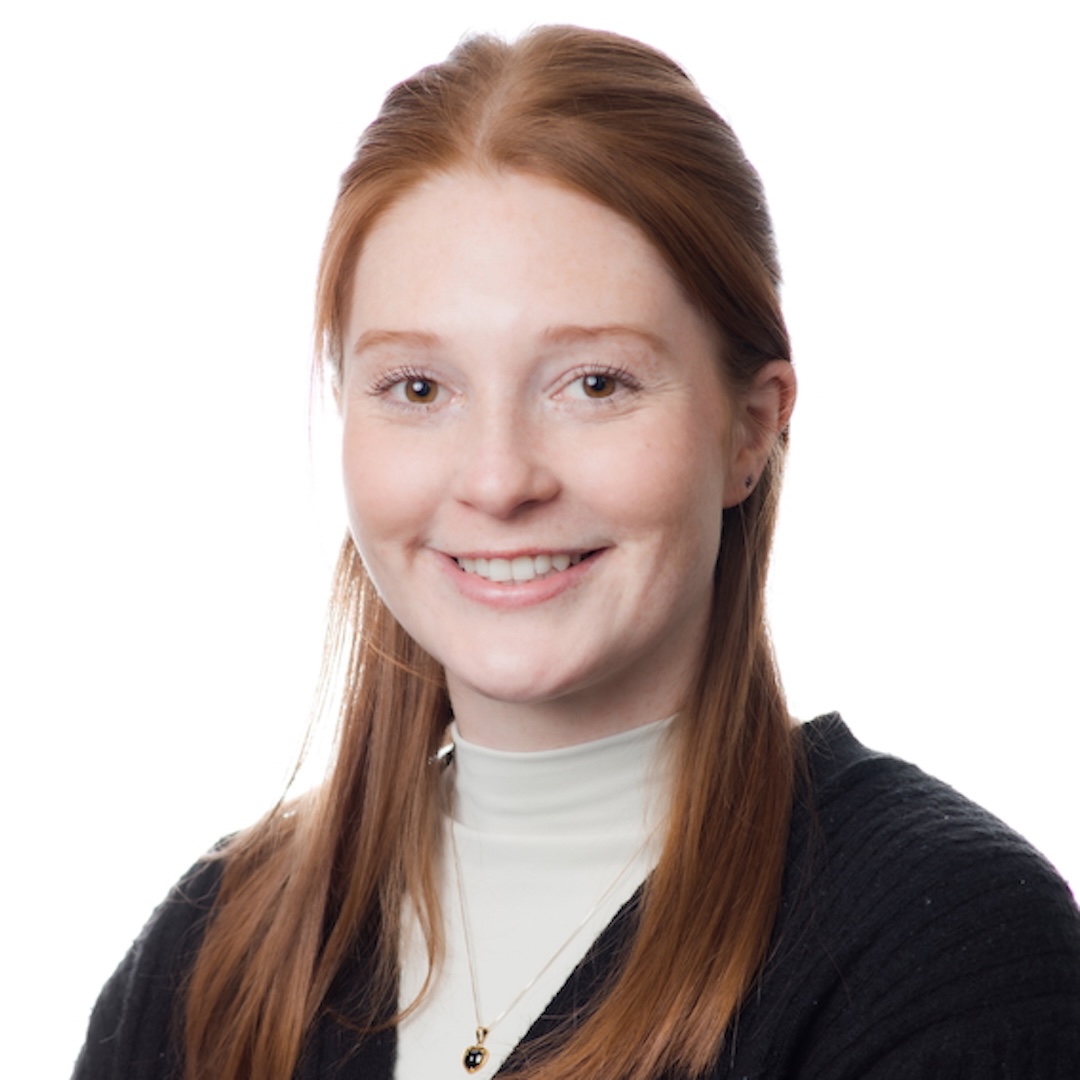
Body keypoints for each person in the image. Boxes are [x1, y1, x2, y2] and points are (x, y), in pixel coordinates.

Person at [73, 25, 1080, 1080]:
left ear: (751, 427)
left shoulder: (941, 945)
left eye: (595, 383)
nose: (500, 480)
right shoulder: (207, 954)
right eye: (419, 389)